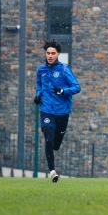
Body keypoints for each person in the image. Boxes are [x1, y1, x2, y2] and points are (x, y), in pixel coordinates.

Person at [34, 40, 81, 183]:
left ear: (58, 54)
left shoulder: (64, 70)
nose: (50, 55)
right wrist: (38, 95)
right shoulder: (40, 70)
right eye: (48, 53)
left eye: (53, 53)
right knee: (48, 136)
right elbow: (39, 85)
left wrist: (62, 91)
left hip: (62, 112)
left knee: (56, 144)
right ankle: (52, 171)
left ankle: (56, 143)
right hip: (46, 109)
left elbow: (77, 87)